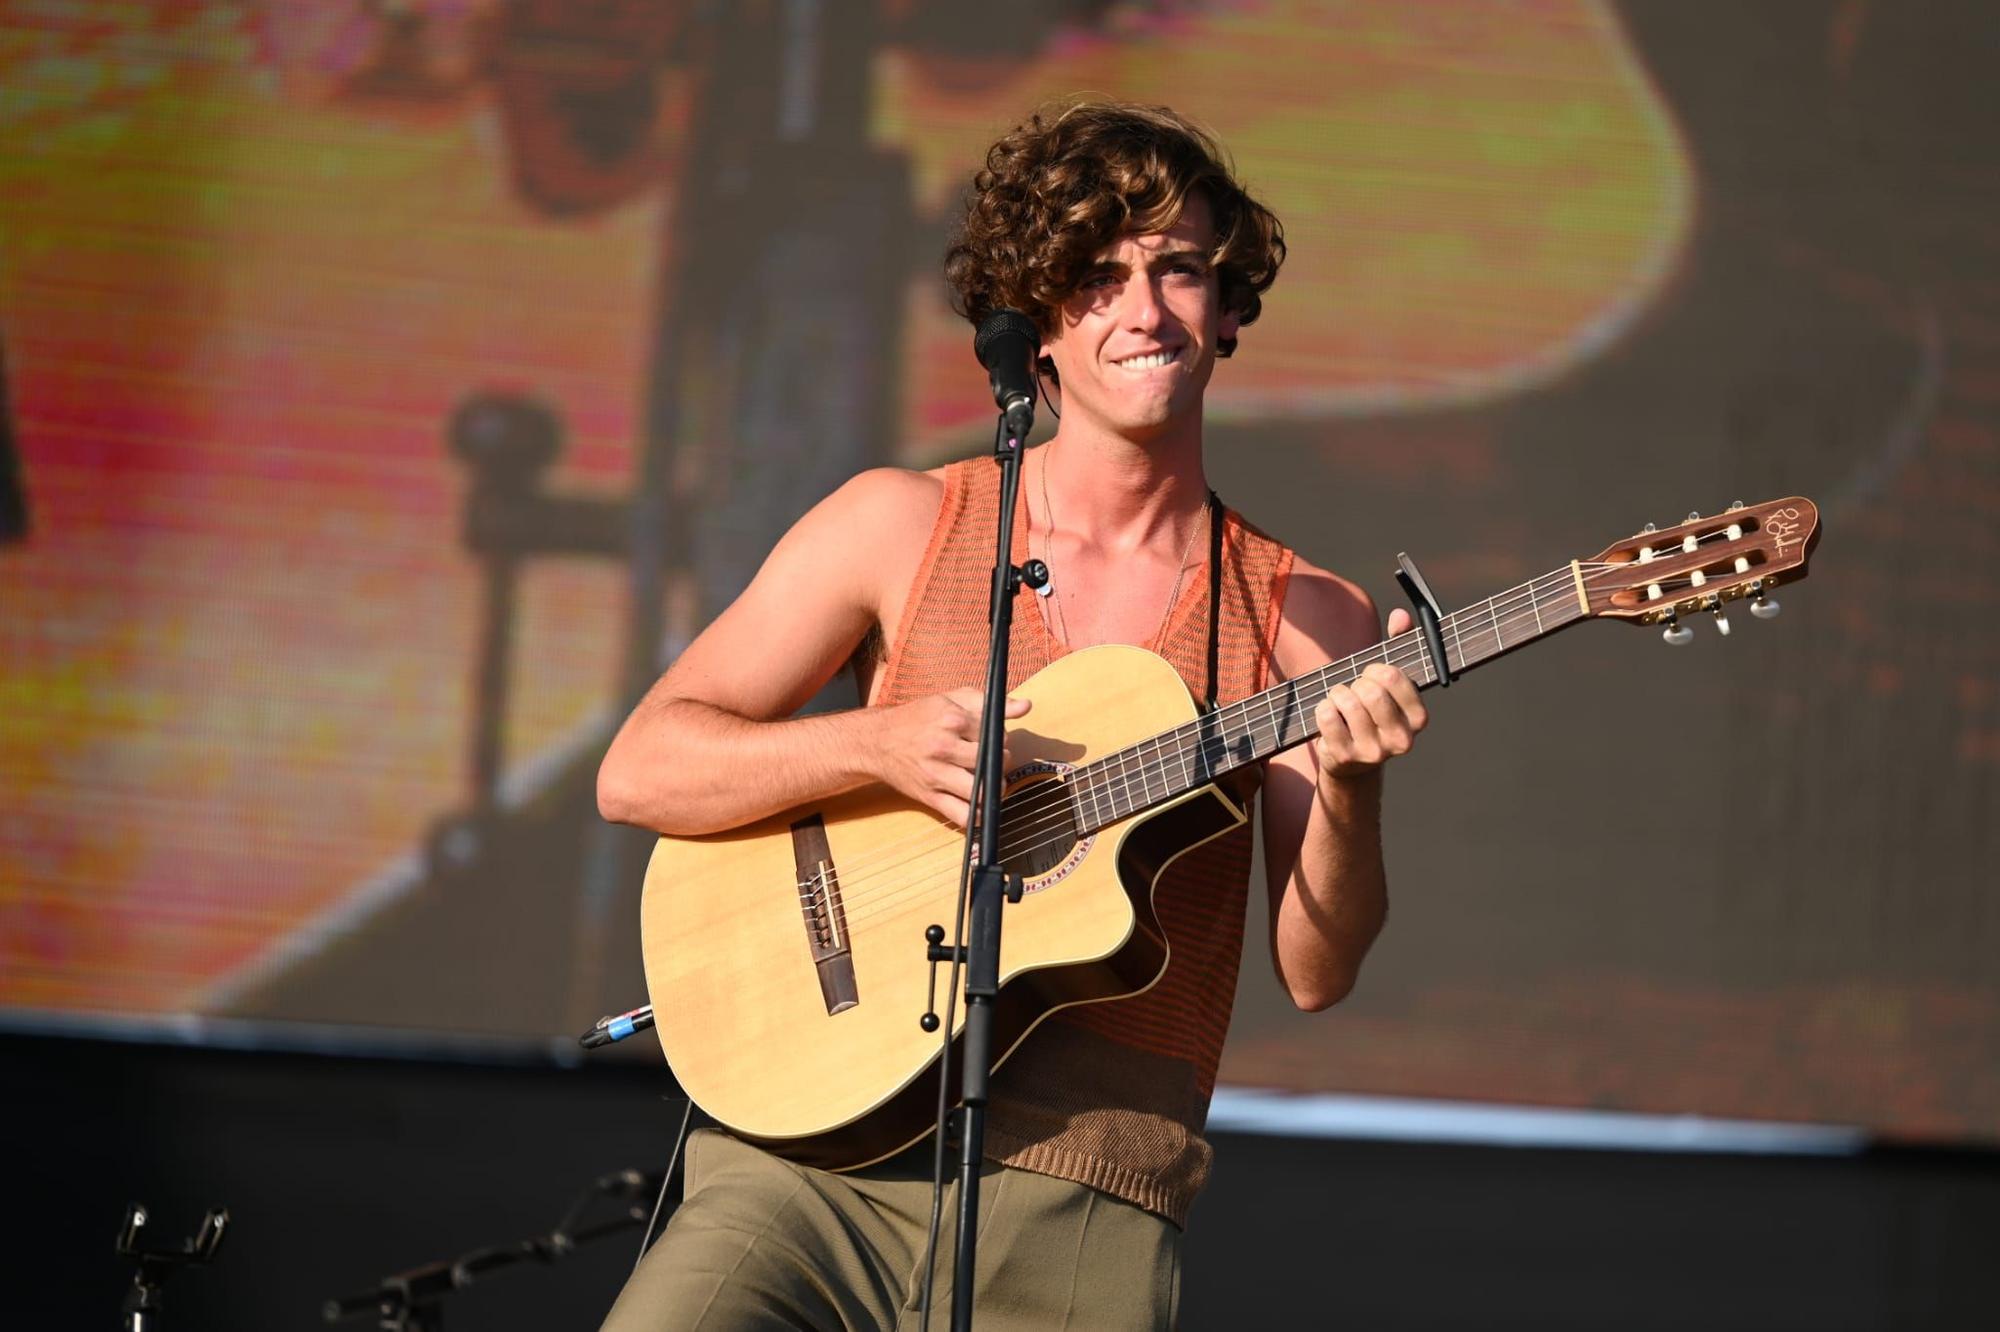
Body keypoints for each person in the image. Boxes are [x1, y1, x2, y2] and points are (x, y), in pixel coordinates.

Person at [594, 99, 1427, 1331]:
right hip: (801, 1163)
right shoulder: (900, 521)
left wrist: (1350, 790)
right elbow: (639, 771)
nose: (1143, 311)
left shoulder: (1304, 613)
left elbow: (1316, 969)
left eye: (1179, 270)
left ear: (1228, 307)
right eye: (1096, 278)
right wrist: (872, 741)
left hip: (1085, 1195)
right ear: (1034, 325)